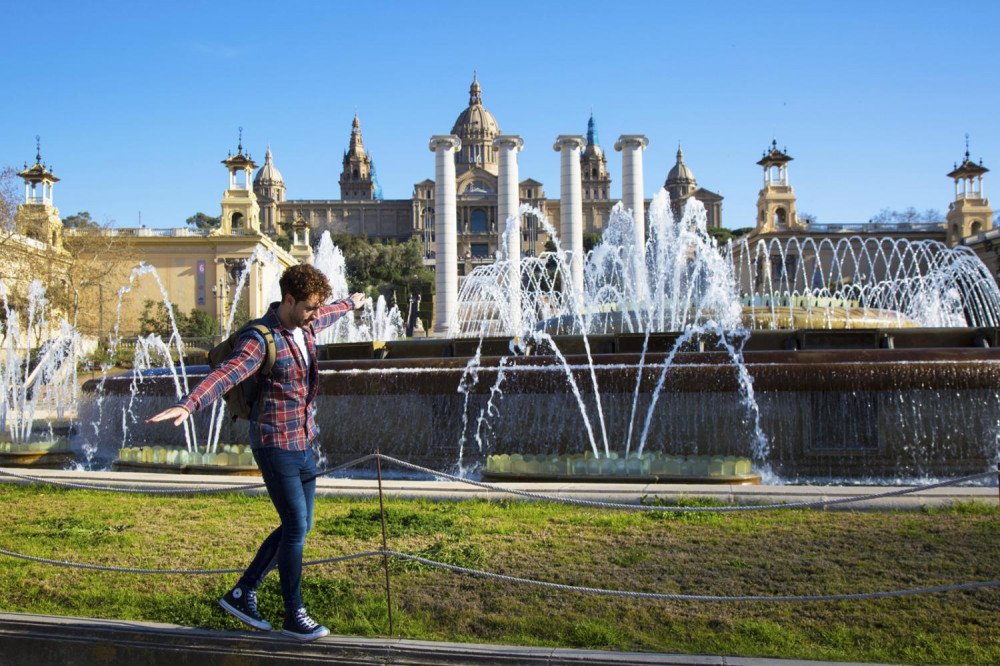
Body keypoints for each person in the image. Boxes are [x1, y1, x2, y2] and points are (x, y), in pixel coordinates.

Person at [147, 264, 366, 641]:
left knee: (301, 525)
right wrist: (189, 403)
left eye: (318, 308)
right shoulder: (260, 339)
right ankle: (293, 613)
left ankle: (243, 591)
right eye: (310, 307)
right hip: (273, 441)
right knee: (296, 526)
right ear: (290, 300)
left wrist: (351, 303)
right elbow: (228, 373)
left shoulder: (306, 325)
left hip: (301, 440)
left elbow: (329, 313)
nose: (316, 313)